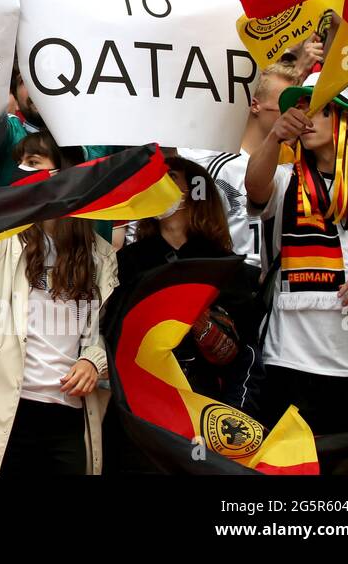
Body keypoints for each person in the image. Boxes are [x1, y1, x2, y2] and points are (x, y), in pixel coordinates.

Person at [0, 154, 117, 474]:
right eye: (24, 165)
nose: (28, 172)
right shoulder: (5, 238)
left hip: (67, 412)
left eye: (37, 164)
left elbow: (102, 331)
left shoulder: (100, 255)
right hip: (3, 408)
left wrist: (92, 360)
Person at [245, 75, 348, 434]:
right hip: (287, 365)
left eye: (320, 110)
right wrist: (275, 136)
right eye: (301, 109)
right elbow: (254, 186)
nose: (306, 118)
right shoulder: (284, 180)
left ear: (345, 121)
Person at [105, 157, 258, 472]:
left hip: (202, 414)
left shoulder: (227, 266)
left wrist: (228, 419)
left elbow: (246, 355)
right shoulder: (127, 263)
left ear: (197, 191)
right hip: (140, 416)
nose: (158, 184)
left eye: (170, 176)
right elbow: (111, 339)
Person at [179, 62, 302, 268]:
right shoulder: (220, 167)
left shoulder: (293, 167)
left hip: (274, 286)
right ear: (255, 105)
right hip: (231, 281)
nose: (293, 114)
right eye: (285, 105)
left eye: (298, 107)